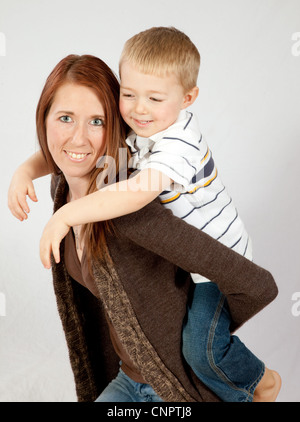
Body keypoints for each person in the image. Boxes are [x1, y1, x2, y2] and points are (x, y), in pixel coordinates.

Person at [8, 52, 281, 403]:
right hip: (127, 380)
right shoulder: (63, 188)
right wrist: (23, 172)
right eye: (65, 118)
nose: (78, 138)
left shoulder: (129, 207)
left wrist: (209, 343)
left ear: (115, 127)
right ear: (43, 119)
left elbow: (255, 284)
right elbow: (62, 151)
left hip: (174, 389)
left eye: (96, 121)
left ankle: (262, 384)